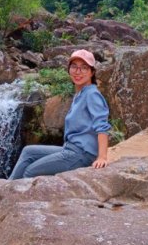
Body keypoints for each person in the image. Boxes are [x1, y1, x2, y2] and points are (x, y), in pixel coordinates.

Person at [8, 49, 111, 179]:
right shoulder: (80, 93)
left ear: (92, 72)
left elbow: (102, 126)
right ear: (69, 69)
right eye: (74, 67)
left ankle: (14, 196)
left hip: (82, 154)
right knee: (28, 152)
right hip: (70, 149)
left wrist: (102, 157)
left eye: (84, 68)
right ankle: (6, 188)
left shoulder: (92, 94)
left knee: (30, 171)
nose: (78, 71)